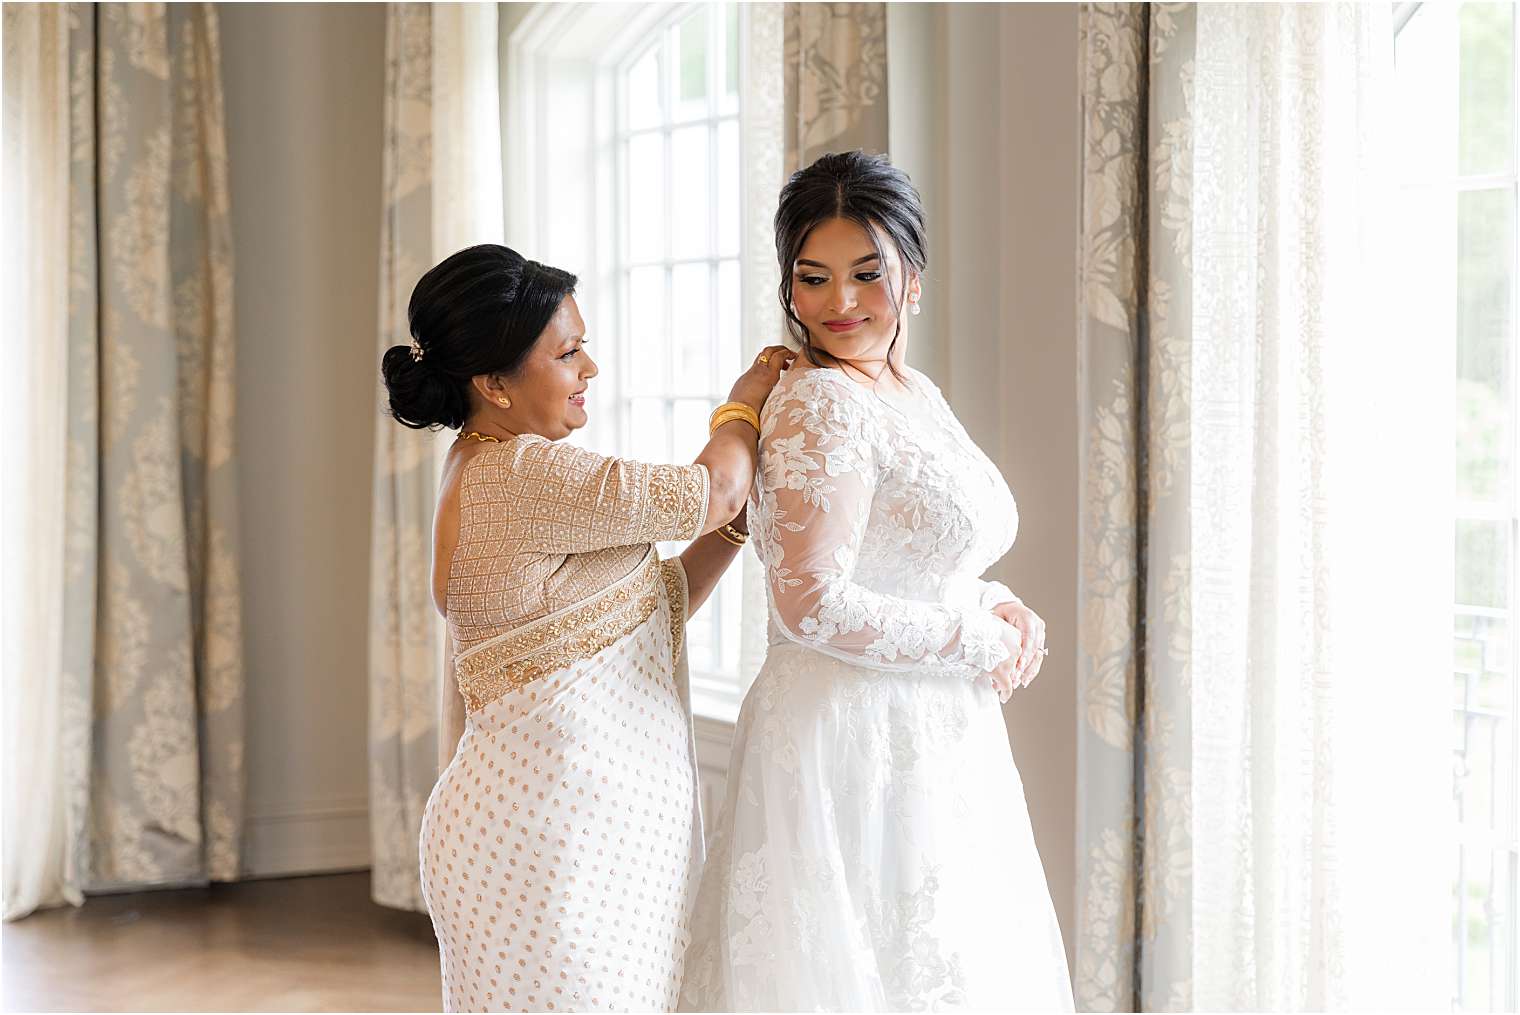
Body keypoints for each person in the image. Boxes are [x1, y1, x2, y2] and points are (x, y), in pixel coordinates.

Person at [679, 152, 1074, 1011]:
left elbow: (922, 555)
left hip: (931, 727)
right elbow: (811, 601)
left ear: (914, 277)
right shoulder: (826, 402)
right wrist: (977, 640)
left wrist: (991, 598)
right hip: (853, 734)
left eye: (866, 273)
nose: (841, 303)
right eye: (812, 278)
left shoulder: (912, 391)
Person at [380, 243, 794, 1012]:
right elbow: (712, 490)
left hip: (570, 833)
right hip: (548, 847)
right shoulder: (524, 476)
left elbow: (654, 604)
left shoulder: (479, 466)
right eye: (568, 352)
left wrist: (735, 532)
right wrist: (750, 396)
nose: (589, 370)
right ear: (492, 383)